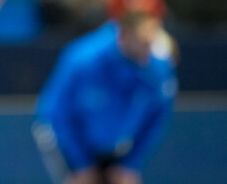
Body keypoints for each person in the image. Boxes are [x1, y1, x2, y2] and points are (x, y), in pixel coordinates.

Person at [33, 10, 177, 184]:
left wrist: (131, 165)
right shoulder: (83, 60)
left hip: (114, 144)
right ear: (124, 36)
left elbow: (157, 118)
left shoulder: (159, 65)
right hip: (63, 138)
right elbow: (57, 114)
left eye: (151, 43)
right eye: (144, 44)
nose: (148, 52)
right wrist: (81, 164)